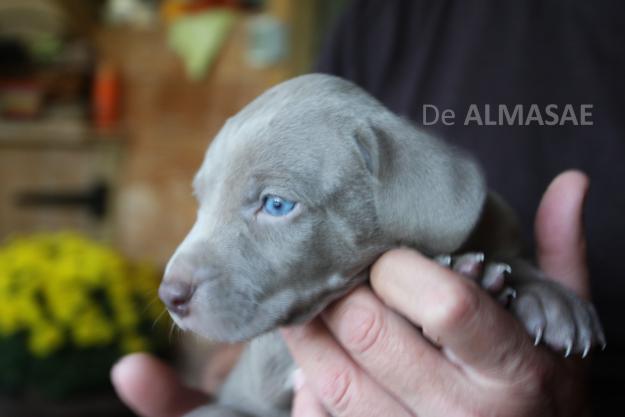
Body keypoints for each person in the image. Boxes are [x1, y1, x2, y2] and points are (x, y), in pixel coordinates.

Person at [112, 1, 624, 415]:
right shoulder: (379, 19)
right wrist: (227, 380)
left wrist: (527, 289)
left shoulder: (435, 198)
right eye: (207, 201)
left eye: (274, 203)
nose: (174, 282)